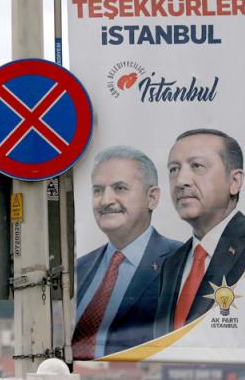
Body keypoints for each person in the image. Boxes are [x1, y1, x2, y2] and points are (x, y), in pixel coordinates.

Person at [73, 146, 180, 359]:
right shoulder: (79, 268)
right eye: (98, 190)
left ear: (152, 198)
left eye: (120, 188)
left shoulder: (183, 262)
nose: (105, 200)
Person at [154, 129, 245, 336]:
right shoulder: (171, 263)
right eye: (174, 169)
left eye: (197, 166)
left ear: (234, 181)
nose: (181, 180)